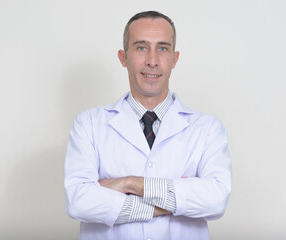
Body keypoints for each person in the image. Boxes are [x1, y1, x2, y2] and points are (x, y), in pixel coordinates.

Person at [64, 11, 231, 240]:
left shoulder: (207, 128)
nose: (152, 60)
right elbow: (78, 201)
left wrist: (130, 184)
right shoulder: (88, 124)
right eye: (141, 47)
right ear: (123, 57)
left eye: (162, 48)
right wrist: (174, 200)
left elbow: (215, 199)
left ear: (175, 58)